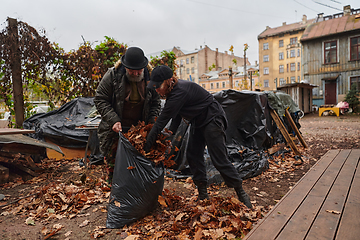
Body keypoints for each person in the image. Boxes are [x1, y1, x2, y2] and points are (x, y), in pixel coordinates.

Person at [144, 65, 252, 208]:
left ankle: (241, 193)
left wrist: (146, 146)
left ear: (169, 81)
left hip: (212, 118)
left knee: (219, 158)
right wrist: (169, 136)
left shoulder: (179, 92)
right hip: (198, 120)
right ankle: (203, 195)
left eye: (159, 86)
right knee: (193, 155)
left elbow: (161, 121)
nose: (156, 90)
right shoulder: (173, 92)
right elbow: (176, 117)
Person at [94, 47, 161, 181]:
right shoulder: (112, 76)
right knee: (115, 164)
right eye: (132, 71)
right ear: (125, 67)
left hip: (138, 131)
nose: (136, 74)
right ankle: (115, 192)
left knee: (139, 164)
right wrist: (113, 120)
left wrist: (151, 123)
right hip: (115, 129)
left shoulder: (151, 78)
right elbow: (100, 99)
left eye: (139, 71)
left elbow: (156, 103)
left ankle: (136, 192)